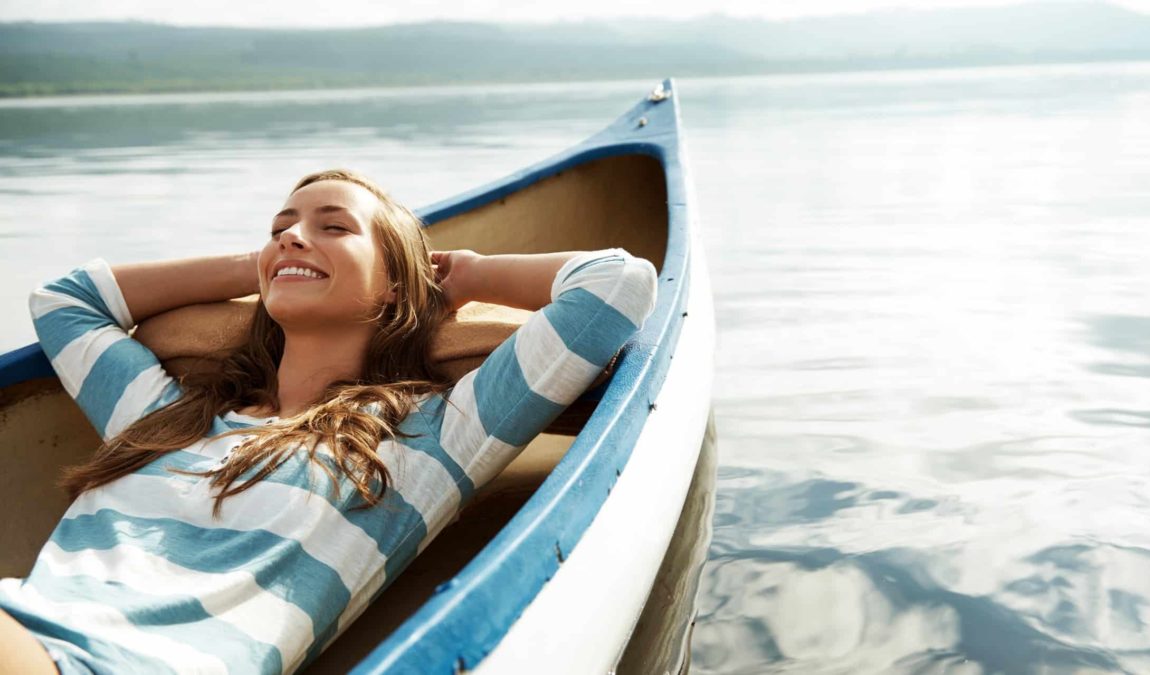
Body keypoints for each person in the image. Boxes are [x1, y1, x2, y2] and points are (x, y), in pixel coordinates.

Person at [0, 169, 658, 674]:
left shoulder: (429, 437)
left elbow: (616, 287)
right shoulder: (163, 417)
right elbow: (64, 300)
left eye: (334, 227)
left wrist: (469, 275)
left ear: (395, 283)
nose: (291, 233)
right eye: (280, 225)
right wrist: (267, 265)